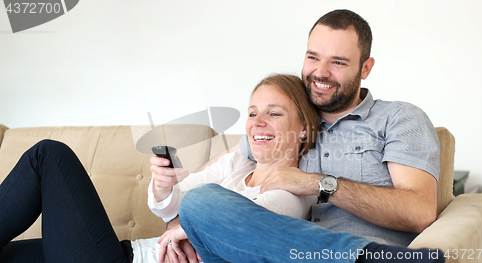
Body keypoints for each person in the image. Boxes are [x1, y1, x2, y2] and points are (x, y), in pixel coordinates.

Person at [157, 9, 443, 263]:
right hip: (268, 254)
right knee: (201, 201)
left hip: (362, 249)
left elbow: (419, 212)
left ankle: (367, 257)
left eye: (338, 63)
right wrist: (179, 229)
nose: (320, 72)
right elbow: (200, 190)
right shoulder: (284, 122)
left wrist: (315, 183)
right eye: (313, 57)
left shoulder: (398, 118)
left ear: (365, 68)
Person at [0, 74, 318, 263]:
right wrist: (166, 186)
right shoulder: (237, 162)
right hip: (129, 252)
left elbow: (245, 227)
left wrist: (184, 226)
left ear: (303, 127)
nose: (258, 123)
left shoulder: (293, 193)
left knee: (49, 155)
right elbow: (174, 203)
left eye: (274, 114)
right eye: (252, 114)